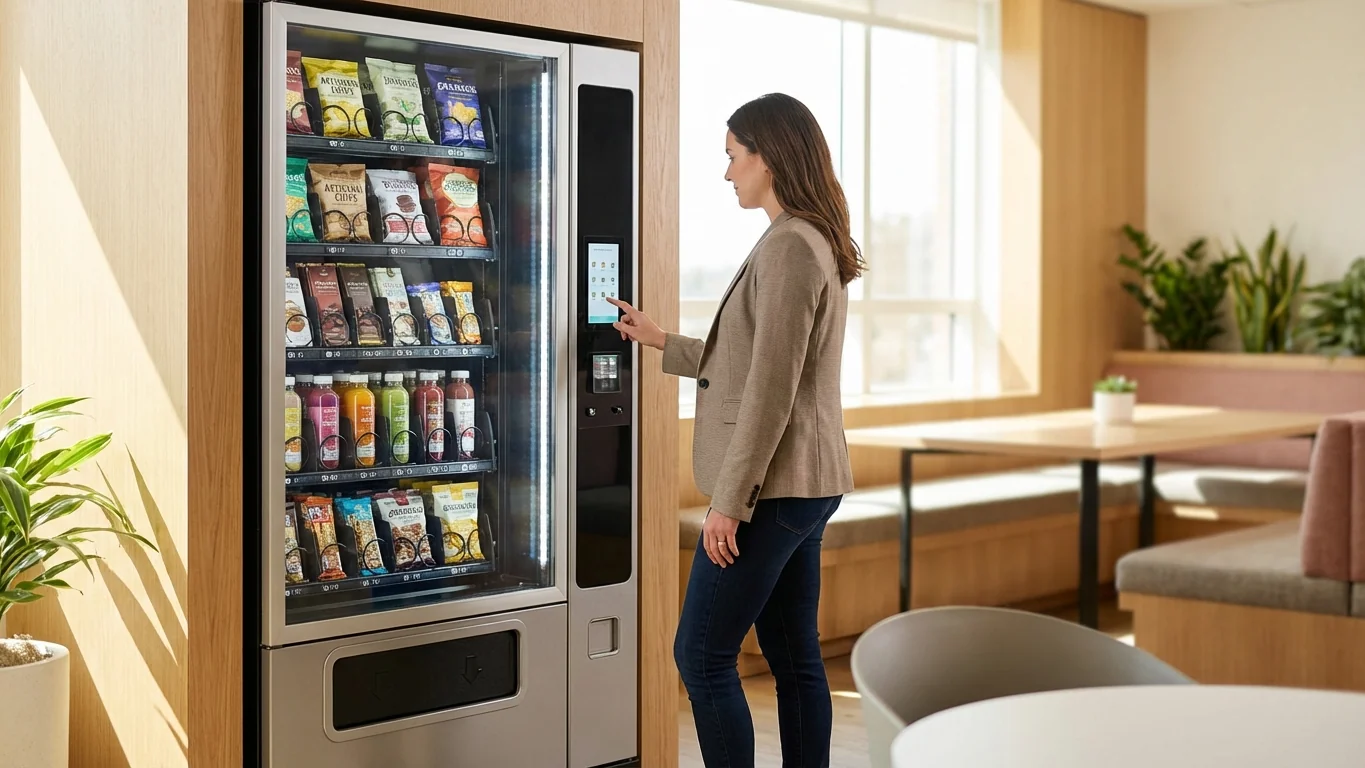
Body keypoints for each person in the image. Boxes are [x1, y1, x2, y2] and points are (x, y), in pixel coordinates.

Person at [608, 92, 862, 768]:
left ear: (767, 156)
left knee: (700, 655)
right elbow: (759, 362)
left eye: (732, 157)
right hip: (805, 484)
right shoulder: (811, 238)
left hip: (771, 491)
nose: (727, 174)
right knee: (793, 656)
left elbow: (771, 389)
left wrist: (729, 501)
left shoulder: (788, 246)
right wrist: (662, 340)